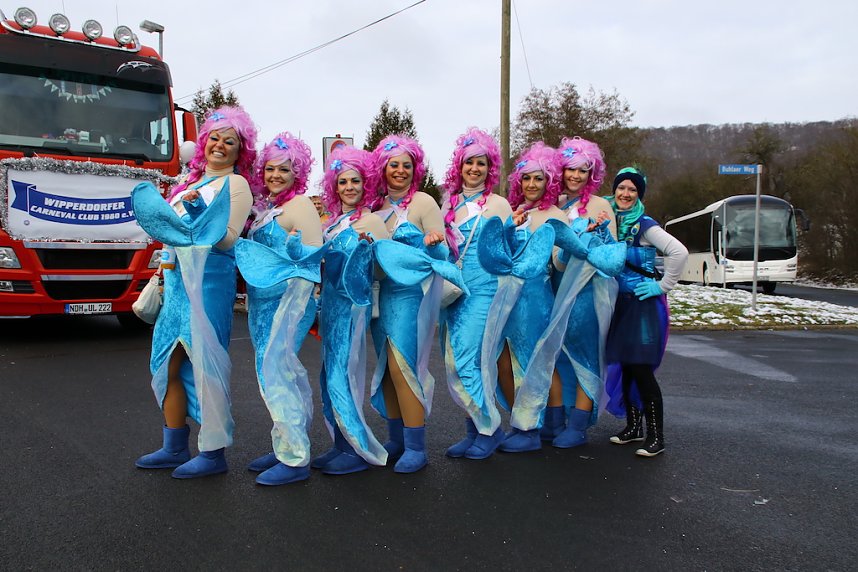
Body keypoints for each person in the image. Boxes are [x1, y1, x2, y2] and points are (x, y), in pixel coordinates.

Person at [132, 106, 257, 478]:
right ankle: (174, 446)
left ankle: (213, 453)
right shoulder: (187, 183)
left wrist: (204, 214)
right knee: (167, 364)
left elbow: (229, 240)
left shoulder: (236, 185)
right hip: (173, 287)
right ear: (204, 144)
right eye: (214, 138)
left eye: (229, 141)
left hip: (209, 286)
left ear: (240, 150)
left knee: (206, 368)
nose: (220, 145)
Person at [235, 132, 323, 486]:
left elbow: (313, 257)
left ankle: (296, 458)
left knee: (277, 371)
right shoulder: (267, 209)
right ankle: (285, 443)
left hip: (288, 304)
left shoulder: (300, 205)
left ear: (297, 172)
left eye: (284, 170)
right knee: (270, 373)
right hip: (260, 304)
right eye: (270, 169)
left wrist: (292, 301)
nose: (275, 175)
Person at [367, 135, 446, 473]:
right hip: (378, 299)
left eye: (406, 165)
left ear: (416, 169)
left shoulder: (425, 203)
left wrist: (432, 244)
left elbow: (444, 255)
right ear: (382, 169)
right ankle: (397, 439)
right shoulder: (374, 208)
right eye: (393, 164)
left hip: (410, 298)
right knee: (386, 370)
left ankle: (416, 446)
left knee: (403, 369)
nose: (399, 170)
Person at [479, 142, 565, 453]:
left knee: (538, 363)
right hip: (507, 301)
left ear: (549, 182)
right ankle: (523, 423)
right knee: (505, 362)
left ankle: (544, 429)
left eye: (538, 179)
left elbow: (557, 263)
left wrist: (568, 251)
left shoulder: (555, 215)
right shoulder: (517, 213)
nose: (531, 185)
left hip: (534, 299)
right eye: (526, 178)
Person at [311, 146, 389, 475]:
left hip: (352, 306)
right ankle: (340, 443)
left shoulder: (372, 219)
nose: (349, 188)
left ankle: (357, 449)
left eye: (355, 181)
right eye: (343, 182)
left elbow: (384, 271)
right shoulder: (332, 221)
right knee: (329, 375)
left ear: (366, 183)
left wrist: (369, 249)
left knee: (344, 375)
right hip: (329, 305)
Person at [604, 167, 688, 457]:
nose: (626, 194)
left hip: (643, 305)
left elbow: (679, 252)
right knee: (627, 366)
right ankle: (633, 428)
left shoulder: (645, 225)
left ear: (638, 194)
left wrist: (663, 286)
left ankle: (656, 436)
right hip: (621, 304)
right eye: (622, 188)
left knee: (641, 369)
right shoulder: (611, 219)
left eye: (632, 190)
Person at [440, 128, 513, 460]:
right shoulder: (449, 203)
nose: (474, 168)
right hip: (453, 292)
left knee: (471, 361)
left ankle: (490, 429)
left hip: (484, 291)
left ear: (489, 167)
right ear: (460, 165)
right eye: (469, 162)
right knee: (454, 361)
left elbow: (508, 251)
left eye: (481, 163)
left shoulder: (499, 204)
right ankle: (473, 430)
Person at [547, 137, 619, 448]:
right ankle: (556, 419)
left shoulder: (601, 206)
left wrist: (598, 233)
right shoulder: (552, 206)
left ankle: (578, 424)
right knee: (557, 357)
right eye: (570, 170)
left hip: (586, 294)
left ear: (593, 174)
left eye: (583, 171)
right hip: (552, 289)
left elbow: (612, 257)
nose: (576, 176)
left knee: (585, 357)